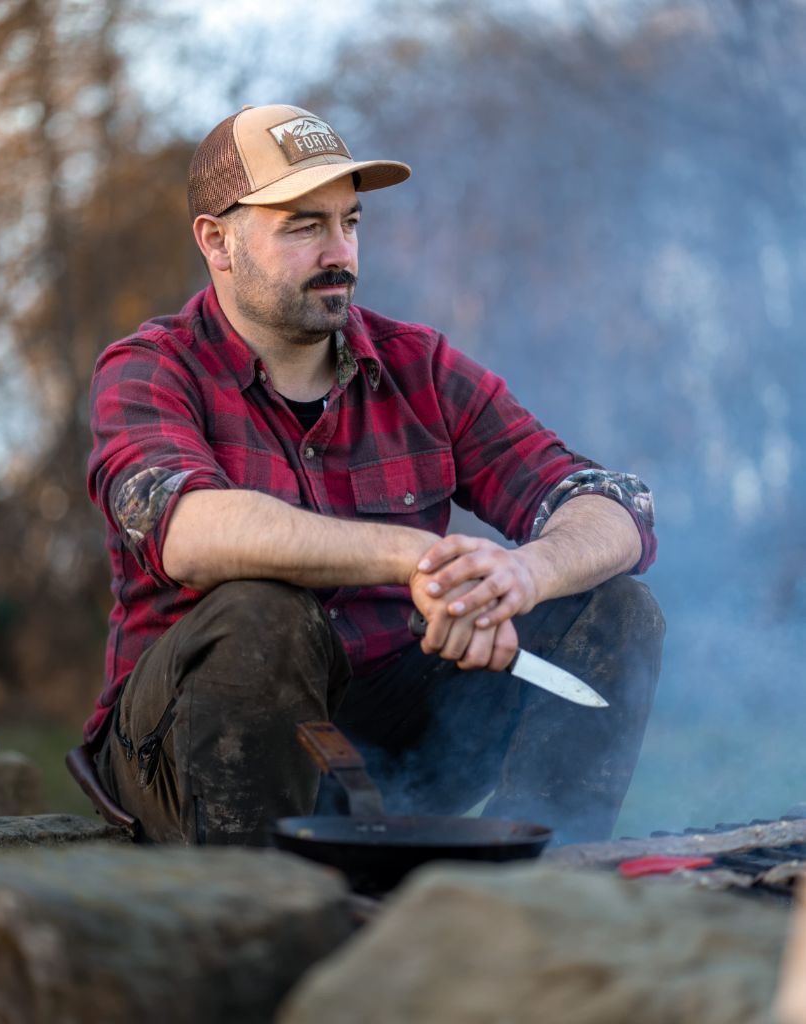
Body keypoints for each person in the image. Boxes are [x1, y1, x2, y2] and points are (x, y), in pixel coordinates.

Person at [85, 103, 664, 847]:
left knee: (613, 605)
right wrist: (416, 559)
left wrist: (518, 577)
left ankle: (541, 889)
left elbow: (611, 503)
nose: (340, 253)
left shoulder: (418, 366)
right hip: (186, 751)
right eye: (304, 227)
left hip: (388, 743)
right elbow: (186, 530)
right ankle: (260, 900)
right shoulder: (149, 368)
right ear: (217, 241)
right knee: (262, 613)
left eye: (349, 222)